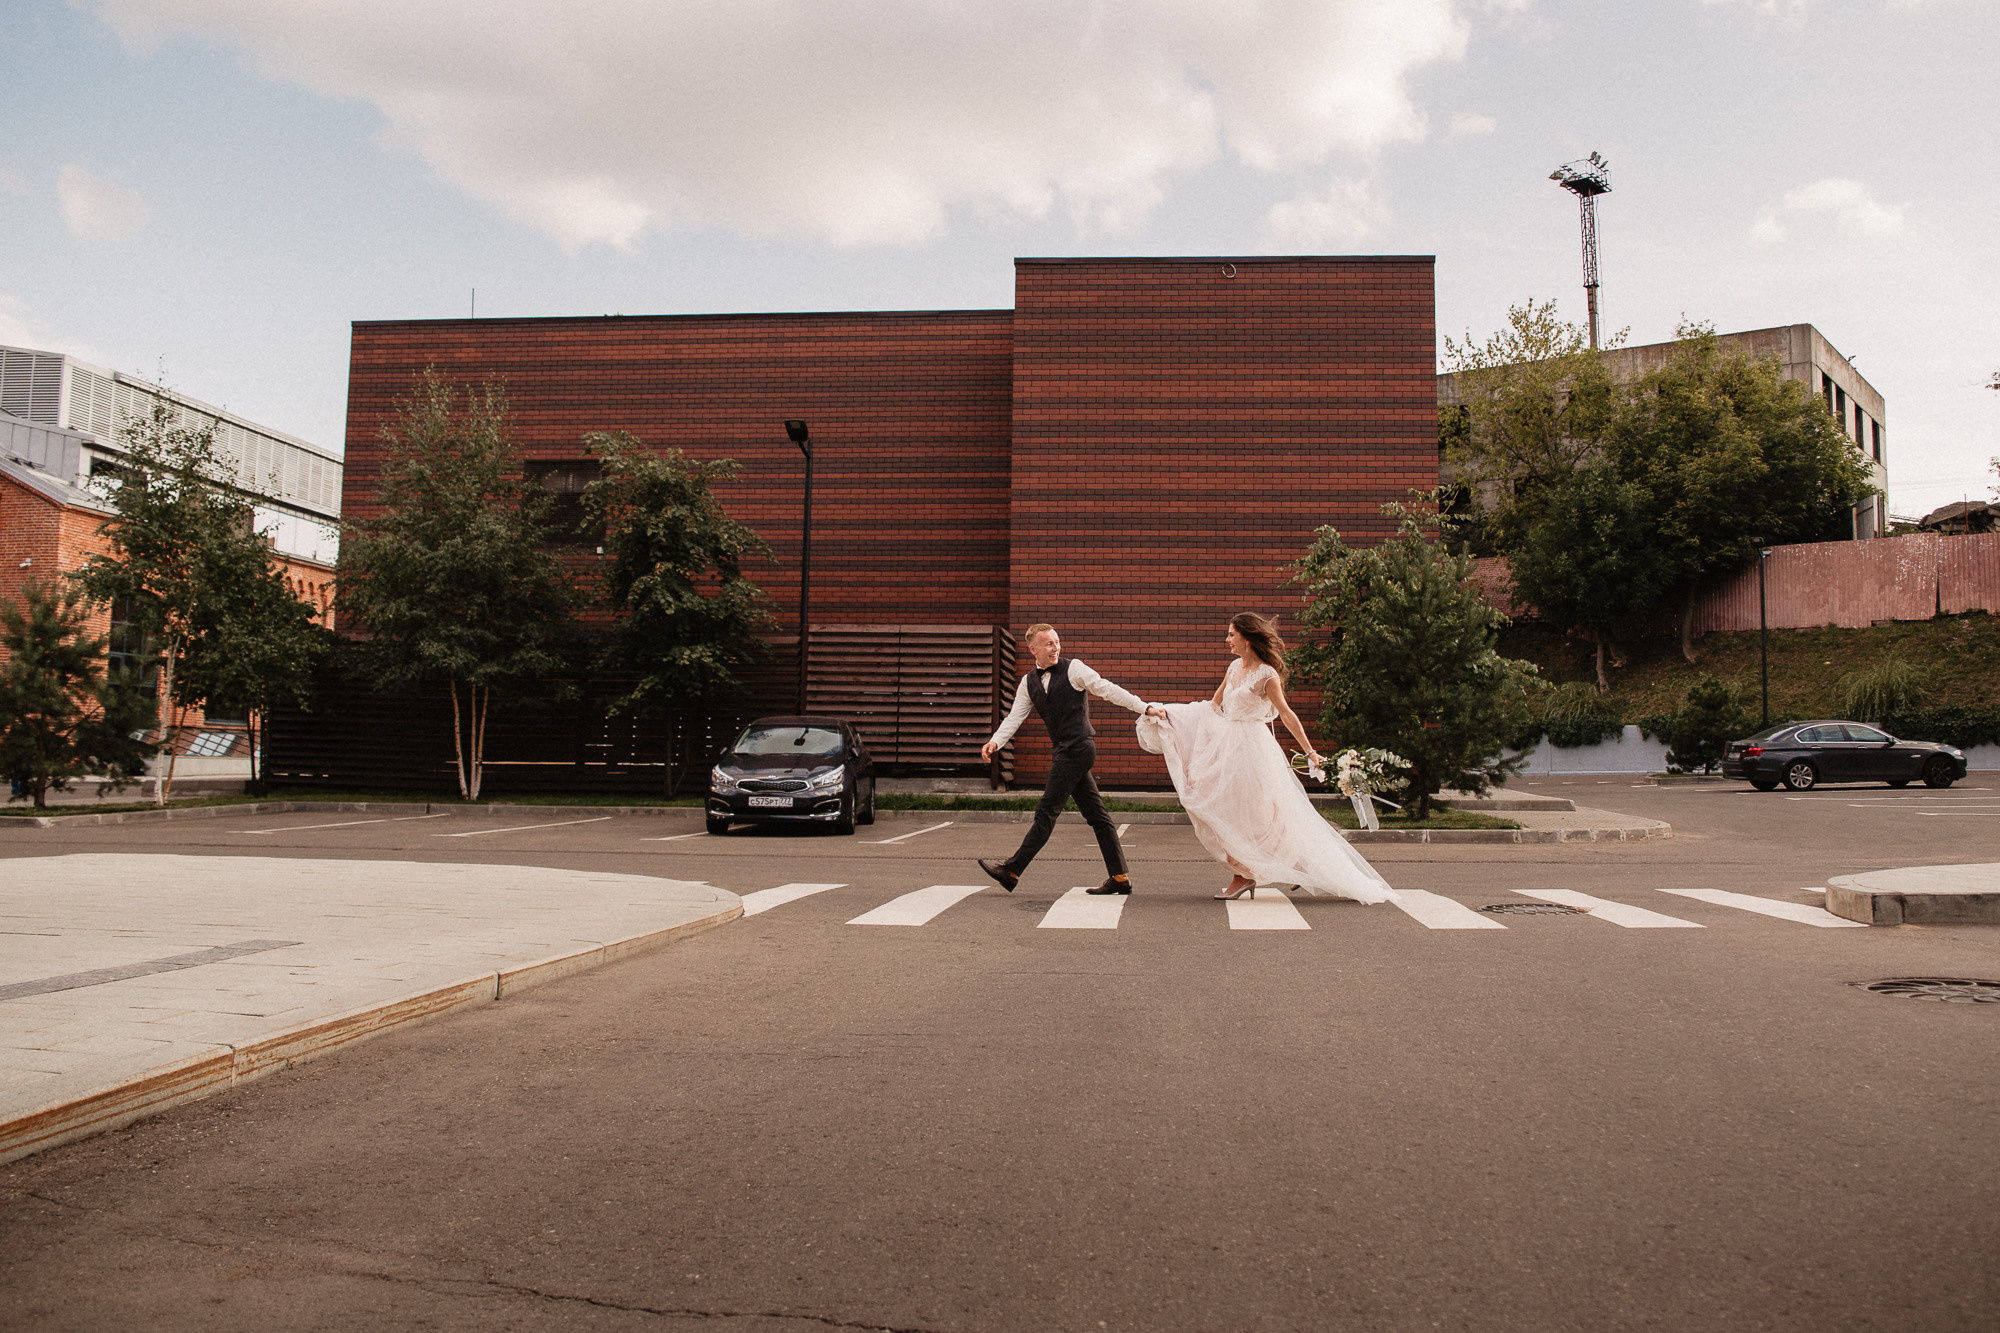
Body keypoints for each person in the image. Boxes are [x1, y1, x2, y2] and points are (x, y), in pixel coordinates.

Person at [1137, 613, 1399, 904]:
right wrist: (1172, 715)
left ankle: (1261, 871)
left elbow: (1286, 714)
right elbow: (1212, 706)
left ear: (1247, 639)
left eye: (1231, 634)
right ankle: (1272, 867)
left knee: (1255, 811)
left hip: (1253, 748)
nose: (1227, 640)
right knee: (1222, 807)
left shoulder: (1267, 675)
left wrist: (1310, 751)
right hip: (1227, 746)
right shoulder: (1233, 668)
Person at [978, 624, 1167, 896]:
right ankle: (1120, 877)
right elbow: (1014, 717)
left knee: (1046, 811)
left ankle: (1012, 870)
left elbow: (1108, 689)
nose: (1055, 648)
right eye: (1048, 644)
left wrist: (1145, 707)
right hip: (1064, 751)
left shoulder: (1074, 668)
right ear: (1033, 649)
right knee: (1097, 816)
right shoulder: (1028, 683)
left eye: (1057, 642)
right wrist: (995, 741)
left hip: (1078, 749)